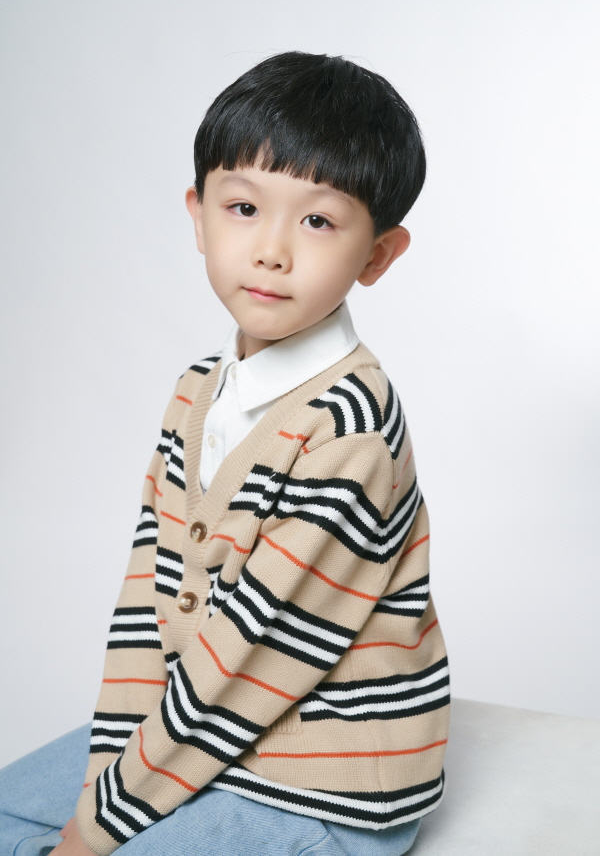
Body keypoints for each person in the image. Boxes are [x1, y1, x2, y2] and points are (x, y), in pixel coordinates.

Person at [0, 51, 450, 856]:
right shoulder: (196, 392)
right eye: (243, 207)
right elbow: (145, 609)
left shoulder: (348, 431)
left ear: (377, 255)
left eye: (318, 221)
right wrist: (102, 793)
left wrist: (97, 832)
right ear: (199, 215)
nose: (272, 249)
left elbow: (252, 659)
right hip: (207, 737)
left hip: (325, 786)